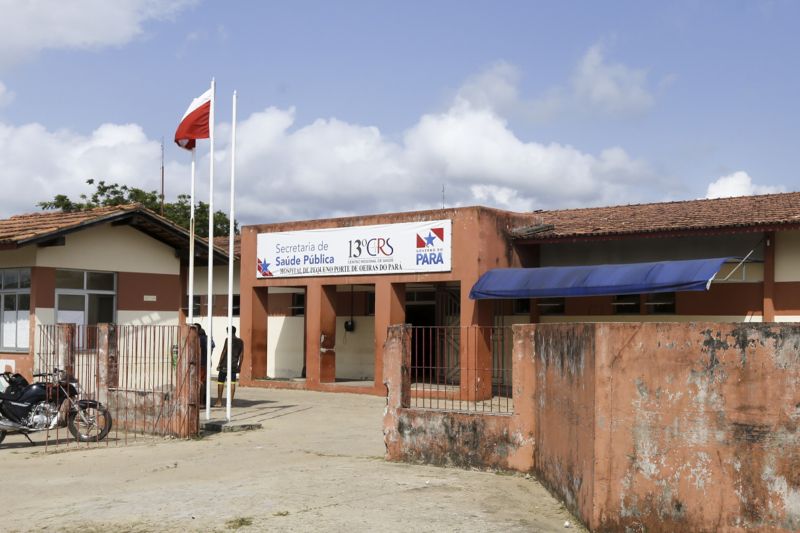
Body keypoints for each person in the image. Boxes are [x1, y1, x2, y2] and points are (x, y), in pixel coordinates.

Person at [215, 326, 244, 407]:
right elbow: (242, 355)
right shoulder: (240, 341)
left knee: (221, 382)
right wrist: (239, 366)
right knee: (232, 382)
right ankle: (230, 402)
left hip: (225, 364)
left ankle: (219, 401)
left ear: (228, 331)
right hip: (234, 365)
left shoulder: (228, 340)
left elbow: (224, 351)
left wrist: (219, 363)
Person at [193, 323, 213, 407]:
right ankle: (204, 401)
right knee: (204, 382)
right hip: (206, 362)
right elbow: (211, 349)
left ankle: (200, 401)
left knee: (199, 382)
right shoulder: (209, 339)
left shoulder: (197, 339)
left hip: (199, 363)